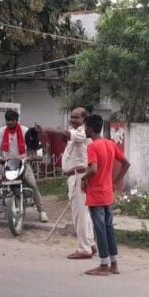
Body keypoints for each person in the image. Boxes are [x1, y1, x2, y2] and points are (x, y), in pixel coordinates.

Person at [36, 107, 97, 259]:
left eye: (76, 117)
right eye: (72, 117)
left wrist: (45, 129)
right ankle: (90, 243)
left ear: (84, 120)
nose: (72, 120)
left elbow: (64, 133)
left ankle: (84, 249)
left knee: (79, 215)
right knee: (84, 214)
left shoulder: (81, 133)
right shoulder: (76, 132)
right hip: (76, 176)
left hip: (78, 176)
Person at [78, 114, 131, 276]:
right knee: (108, 228)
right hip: (107, 193)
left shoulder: (93, 147)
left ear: (90, 129)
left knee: (100, 229)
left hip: (96, 194)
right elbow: (126, 163)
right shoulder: (110, 144)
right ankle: (114, 264)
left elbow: (93, 169)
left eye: (85, 127)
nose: (84, 130)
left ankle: (103, 265)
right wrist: (115, 181)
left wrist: (83, 178)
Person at [0, 109, 49, 223]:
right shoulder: (1, 131)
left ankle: (42, 211)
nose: (10, 122)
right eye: (8, 120)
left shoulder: (25, 130)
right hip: (5, 162)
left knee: (32, 184)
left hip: (23, 162)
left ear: (17, 120)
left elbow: (37, 144)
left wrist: (38, 156)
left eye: (12, 120)